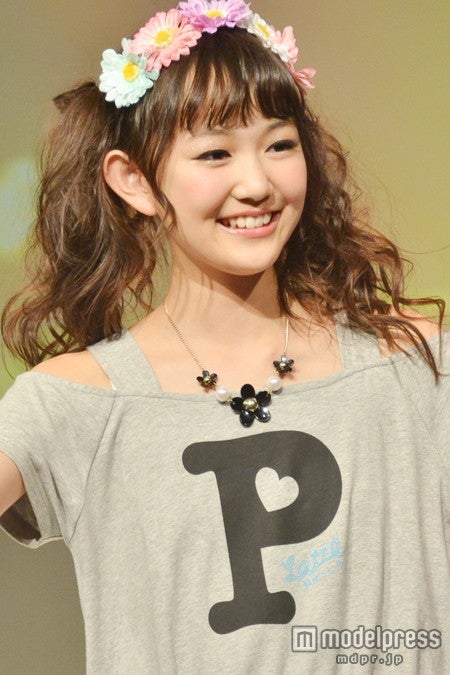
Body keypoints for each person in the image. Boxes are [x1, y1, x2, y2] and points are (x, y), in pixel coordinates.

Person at [0, 1, 448, 672]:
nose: (257, 183)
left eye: (280, 145)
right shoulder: (80, 401)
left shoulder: (414, 366)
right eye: (215, 153)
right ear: (134, 181)